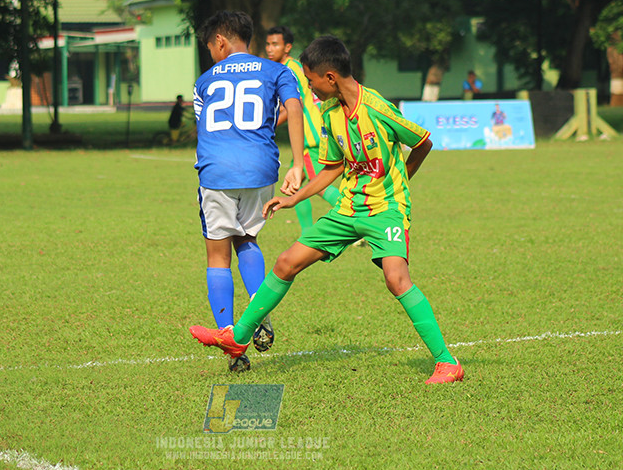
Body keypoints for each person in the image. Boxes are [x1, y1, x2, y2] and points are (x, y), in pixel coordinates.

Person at [190, 35, 464, 385]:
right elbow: (332, 168)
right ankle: (239, 337)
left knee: (396, 280)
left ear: (330, 77)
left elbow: (423, 141)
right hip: (347, 209)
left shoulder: (377, 108)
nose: (309, 88)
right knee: (286, 263)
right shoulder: (330, 113)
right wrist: (294, 198)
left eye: (311, 80)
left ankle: (447, 363)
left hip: (386, 210)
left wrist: (402, 181)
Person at [192, 11, 306, 372]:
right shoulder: (277, 71)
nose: (211, 53)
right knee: (247, 239)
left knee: (218, 256)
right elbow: (294, 108)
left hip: (217, 171)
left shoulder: (204, 81)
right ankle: (259, 313)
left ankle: (234, 349)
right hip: (260, 169)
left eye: (210, 47)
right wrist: (298, 162)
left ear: (220, 41)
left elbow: (205, 128)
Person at [264, 26, 342, 232]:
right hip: (311, 135)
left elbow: (293, 107)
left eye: (275, 44)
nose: (270, 49)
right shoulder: (295, 66)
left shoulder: (289, 70)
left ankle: (358, 218)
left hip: (309, 136)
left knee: (320, 186)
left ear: (287, 47)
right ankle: (306, 234)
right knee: (294, 186)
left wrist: (264, 127)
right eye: (268, 44)